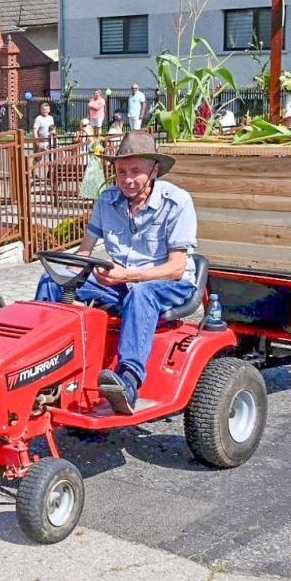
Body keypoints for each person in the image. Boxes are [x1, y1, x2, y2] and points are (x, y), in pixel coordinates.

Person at [69, 132, 199, 414]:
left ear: (154, 170)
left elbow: (176, 267)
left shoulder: (177, 202)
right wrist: (69, 274)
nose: (127, 180)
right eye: (121, 172)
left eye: (135, 172)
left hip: (169, 284)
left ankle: (128, 381)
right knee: (53, 284)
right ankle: (53, 363)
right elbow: (85, 251)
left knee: (141, 293)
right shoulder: (107, 200)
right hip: (122, 281)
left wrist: (126, 276)